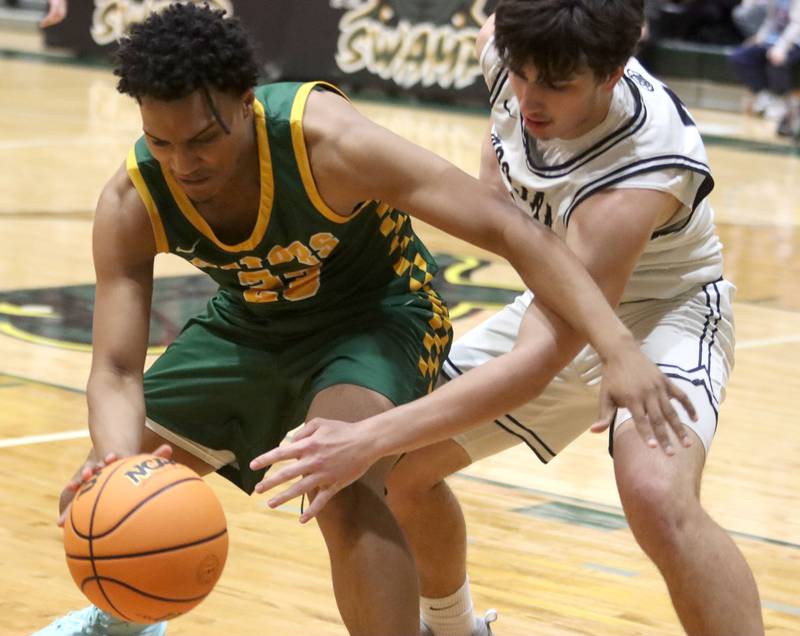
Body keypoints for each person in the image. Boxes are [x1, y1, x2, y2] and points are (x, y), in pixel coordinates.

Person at [33, 4, 694, 636]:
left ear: (246, 103)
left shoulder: (327, 142)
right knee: (108, 484)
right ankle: (121, 619)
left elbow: (509, 230)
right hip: (251, 323)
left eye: (204, 140)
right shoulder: (132, 198)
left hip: (379, 315)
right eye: (162, 141)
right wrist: (117, 466)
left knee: (338, 478)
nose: (184, 163)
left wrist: (616, 346)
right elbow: (117, 370)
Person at [252, 2, 765, 635]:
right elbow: (504, 123)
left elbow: (538, 360)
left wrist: (366, 439)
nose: (530, 98)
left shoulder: (636, 176)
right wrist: (497, 175)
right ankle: (456, 628)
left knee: (657, 497)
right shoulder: (507, 48)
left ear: (611, 74)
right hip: (559, 294)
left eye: (556, 85)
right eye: (521, 76)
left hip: (664, 312)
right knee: (402, 477)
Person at [730, 0, 800, 133]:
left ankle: (779, 101)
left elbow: (797, 25)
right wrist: (759, 38)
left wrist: (781, 47)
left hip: (794, 42)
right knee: (740, 56)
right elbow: (770, 21)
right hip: (772, 40)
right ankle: (764, 95)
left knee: (776, 59)